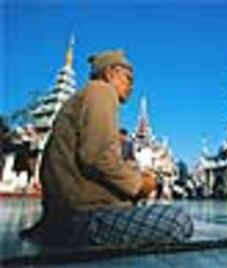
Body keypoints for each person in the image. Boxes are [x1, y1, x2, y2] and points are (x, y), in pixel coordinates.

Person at [20, 50, 193, 247]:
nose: (131, 86)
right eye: (128, 78)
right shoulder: (101, 92)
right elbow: (97, 158)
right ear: (111, 73)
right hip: (81, 218)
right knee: (179, 221)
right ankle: (67, 233)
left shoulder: (85, 96)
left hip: (66, 211)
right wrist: (139, 184)